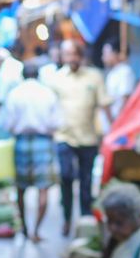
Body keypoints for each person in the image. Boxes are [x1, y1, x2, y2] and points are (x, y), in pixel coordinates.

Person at [44, 38, 110, 235]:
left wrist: (113, 129)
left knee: (86, 181)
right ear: (62, 57)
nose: (72, 58)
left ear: (81, 56)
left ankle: (85, 220)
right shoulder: (55, 79)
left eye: (75, 54)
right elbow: (48, 107)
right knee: (65, 177)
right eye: (68, 54)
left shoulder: (95, 76)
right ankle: (66, 219)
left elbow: (104, 105)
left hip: (88, 137)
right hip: (63, 136)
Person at [1, 62, 64, 242]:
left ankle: (24, 228)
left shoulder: (14, 94)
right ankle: (36, 231)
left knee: (20, 188)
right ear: (38, 75)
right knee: (43, 189)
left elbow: (8, 124)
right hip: (43, 142)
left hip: (21, 142)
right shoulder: (48, 93)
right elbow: (57, 122)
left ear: (22, 75)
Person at [102, 39, 137, 121]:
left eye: (106, 54)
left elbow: (125, 98)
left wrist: (116, 121)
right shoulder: (111, 73)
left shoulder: (125, 71)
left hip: (119, 120)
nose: (103, 58)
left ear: (115, 54)